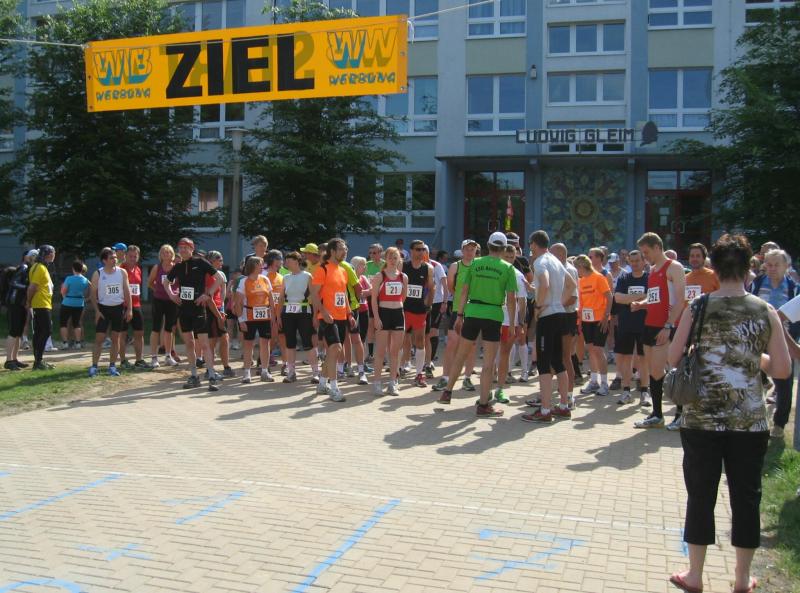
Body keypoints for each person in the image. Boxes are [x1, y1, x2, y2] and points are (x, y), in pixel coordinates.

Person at [667, 234, 790, 593]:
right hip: (749, 421)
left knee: (701, 495)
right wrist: (752, 357)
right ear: (749, 267)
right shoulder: (764, 310)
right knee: (746, 497)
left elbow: (673, 358)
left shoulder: (698, 307)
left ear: (715, 269)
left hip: (701, 419)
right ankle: (740, 578)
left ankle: (695, 575)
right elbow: (782, 369)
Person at [437, 232, 517, 418]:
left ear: (488, 246)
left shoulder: (475, 264)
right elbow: (511, 299)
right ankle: (483, 405)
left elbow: (464, 291)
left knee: (461, 354)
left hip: (472, 312)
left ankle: (447, 392)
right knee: (488, 363)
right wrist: (512, 323)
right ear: (504, 248)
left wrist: (459, 315)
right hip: (493, 314)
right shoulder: (508, 268)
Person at [631, 232, 687, 429]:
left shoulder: (674, 267)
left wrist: (668, 325)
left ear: (657, 247)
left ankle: (680, 414)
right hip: (650, 325)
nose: (644, 257)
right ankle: (657, 415)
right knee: (654, 371)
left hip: (666, 326)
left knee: (669, 370)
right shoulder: (653, 270)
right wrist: (641, 304)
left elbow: (681, 300)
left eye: (646, 252)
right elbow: (656, 298)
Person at [522, 231, 573, 422]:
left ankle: (544, 411)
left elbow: (544, 283)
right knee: (558, 362)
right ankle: (564, 406)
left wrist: (539, 305)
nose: (530, 248)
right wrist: (558, 301)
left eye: (531, 245)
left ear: (534, 244)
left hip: (548, 316)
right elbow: (571, 284)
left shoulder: (540, 261)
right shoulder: (556, 261)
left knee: (544, 364)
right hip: (560, 314)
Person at [164, 238, 225, 391]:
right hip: (184, 310)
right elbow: (166, 282)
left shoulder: (200, 262)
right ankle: (193, 376)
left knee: (204, 344)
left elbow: (219, 278)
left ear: (192, 249)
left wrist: (208, 295)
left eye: (186, 247)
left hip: (198, 309)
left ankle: (211, 375)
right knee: (189, 344)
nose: (183, 250)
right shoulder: (178, 266)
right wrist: (172, 295)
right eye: (180, 248)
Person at [750, 248, 797, 439]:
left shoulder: (794, 288)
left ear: (786, 266)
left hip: (784, 340)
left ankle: (779, 424)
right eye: (769, 264)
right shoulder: (757, 283)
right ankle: (753, 419)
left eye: (777, 265)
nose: (772, 268)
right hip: (757, 337)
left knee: (784, 382)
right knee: (752, 376)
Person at [432, 240, 479, 393]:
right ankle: (445, 377)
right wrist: (460, 299)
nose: (469, 252)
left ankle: (467, 378)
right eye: (467, 249)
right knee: (452, 343)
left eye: (472, 249)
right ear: (462, 250)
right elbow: (451, 286)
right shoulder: (455, 266)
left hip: (474, 311)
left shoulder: (479, 265)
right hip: (457, 309)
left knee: (471, 346)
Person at [310, 238, 352, 402]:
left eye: (345, 248)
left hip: (341, 316)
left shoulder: (343, 270)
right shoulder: (322, 269)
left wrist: (349, 313)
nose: (345, 251)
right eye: (341, 248)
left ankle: (322, 383)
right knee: (335, 348)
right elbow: (314, 294)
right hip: (327, 317)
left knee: (334, 351)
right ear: (332, 251)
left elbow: (343, 294)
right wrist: (323, 312)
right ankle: (334, 388)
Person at [613, 250, 650, 406]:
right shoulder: (624, 278)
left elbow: (652, 297)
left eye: (637, 261)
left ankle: (644, 392)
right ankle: (626, 391)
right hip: (626, 324)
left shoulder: (649, 278)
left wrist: (631, 299)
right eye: (632, 261)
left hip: (645, 324)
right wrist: (640, 297)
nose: (634, 263)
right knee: (625, 358)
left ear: (644, 261)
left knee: (643, 358)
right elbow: (618, 298)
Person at [89, 247, 132, 377]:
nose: (115, 259)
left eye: (115, 257)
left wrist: (129, 309)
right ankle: (94, 366)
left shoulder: (122, 272)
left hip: (118, 309)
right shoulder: (98, 273)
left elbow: (127, 291)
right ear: (104, 260)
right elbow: (92, 294)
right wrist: (97, 311)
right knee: (99, 338)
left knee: (115, 338)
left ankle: (112, 366)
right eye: (111, 258)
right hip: (103, 309)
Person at [576, 254, 613, 397]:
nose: (577, 271)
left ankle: (604, 383)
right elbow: (582, 302)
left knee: (598, 349)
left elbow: (609, 296)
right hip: (587, 320)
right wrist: (580, 321)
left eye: (577, 268)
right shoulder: (581, 281)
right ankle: (593, 381)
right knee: (591, 349)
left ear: (582, 266)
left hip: (600, 319)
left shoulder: (599, 277)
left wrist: (606, 316)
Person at [371, 246, 407, 396]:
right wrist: (376, 317)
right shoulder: (380, 276)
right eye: (390, 257)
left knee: (395, 352)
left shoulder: (403, 277)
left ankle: (393, 382)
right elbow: (373, 299)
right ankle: (377, 382)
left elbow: (403, 297)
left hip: (398, 314)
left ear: (399, 259)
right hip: (383, 313)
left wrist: (397, 307)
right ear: (385, 259)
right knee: (380, 351)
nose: (393, 260)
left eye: (395, 257)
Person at [494, 245, 528, 405]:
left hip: (510, 321)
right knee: (492, 352)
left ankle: (501, 384)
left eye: (511, 257)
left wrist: (520, 322)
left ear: (515, 257)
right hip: (493, 318)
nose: (508, 260)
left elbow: (522, 301)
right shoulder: (495, 272)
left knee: (504, 353)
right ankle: (491, 383)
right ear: (500, 255)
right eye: (506, 257)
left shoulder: (518, 275)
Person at [235, 256, 276, 384]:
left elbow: (271, 299)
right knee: (248, 344)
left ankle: (264, 371)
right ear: (253, 266)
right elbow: (238, 303)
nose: (262, 266)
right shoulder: (243, 281)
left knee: (265, 343)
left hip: (265, 316)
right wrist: (241, 320)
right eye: (260, 264)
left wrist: (273, 316)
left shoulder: (265, 279)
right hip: (249, 316)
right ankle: (247, 373)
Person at [279, 251, 317, 383]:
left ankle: (315, 373)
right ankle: (291, 373)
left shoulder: (307, 276)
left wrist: (315, 315)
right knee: (290, 343)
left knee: (308, 343)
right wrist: (278, 316)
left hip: (304, 312)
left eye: (289, 261)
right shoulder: (286, 277)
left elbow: (314, 296)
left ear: (296, 262)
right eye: (286, 261)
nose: (286, 263)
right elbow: (281, 297)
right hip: (288, 313)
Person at [401, 239, 435, 388]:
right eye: (418, 249)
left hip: (420, 310)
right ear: (411, 251)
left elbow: (431, 287)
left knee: (420, 341)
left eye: (423, 249)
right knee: (400, 340)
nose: (421, 252)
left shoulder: (428, 268)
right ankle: (398, 369)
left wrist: (428, 303)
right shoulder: (403, 266)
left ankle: (419, 374)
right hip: (403, 309)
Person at [118, 245, 151, 370]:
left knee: (139, 333)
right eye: (130, 256)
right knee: (122, 334)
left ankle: (139, 360)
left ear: (138, 257)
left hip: (136, 305)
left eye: (135, 256)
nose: (132, 258)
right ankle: (123, 361)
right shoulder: (120, 269)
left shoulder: (138, 269)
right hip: (123, 305)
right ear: (125, 256)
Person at [551, 243, 578, 393]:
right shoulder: (556, 269)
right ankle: (550, 391)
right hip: (556, 314)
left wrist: (554, 305)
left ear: (561, 255)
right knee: (554, 355)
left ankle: (569, 394)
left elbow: (573, 298)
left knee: (565, 356)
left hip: (567, 316)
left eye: (552, 254)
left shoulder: (569, 270)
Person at [3, 250, 36, 371]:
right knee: (13, 332)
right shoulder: (24, 267)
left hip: (20, 303)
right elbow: (14, 283)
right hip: (15, 303)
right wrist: (28, 287)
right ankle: (8, 361)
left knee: (18, 332)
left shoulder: (29, 268)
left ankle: (14, 359)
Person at [147, 244, 179, 368]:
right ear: (160, 255)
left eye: (168, 252)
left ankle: (168, 356)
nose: (166, 254)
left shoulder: (176, 268)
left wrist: (175, 294)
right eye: (164, 252)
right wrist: (158, 290)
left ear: (172, 255)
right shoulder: (157, 267)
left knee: (169, 329)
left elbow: (180, 284)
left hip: (172, 302)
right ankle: (154, 358)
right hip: (158, 301)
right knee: (155, 328)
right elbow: (150, 283)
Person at [26, 245, 56, 370]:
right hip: (41, 304)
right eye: (53, 252)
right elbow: (32, 287)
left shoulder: (38, 267)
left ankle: (38, 361)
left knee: (39, 332)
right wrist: (28, 302)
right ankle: (38, 361)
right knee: (46, 331)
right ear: (48, 254)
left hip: (42, 303)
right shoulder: (40, 268)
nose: (54, 255)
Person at [205, 251, 233, 378]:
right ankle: (209, 369)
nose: (222, 262)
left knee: (224, 338)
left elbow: (223, 293)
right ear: (211, 261)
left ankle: (226, 367)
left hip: (218, 309)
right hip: (209, 310)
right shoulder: (206, 275)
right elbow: (208, 297)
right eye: (219, 259)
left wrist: (221, 308)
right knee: (211, 340)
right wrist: (217, 314)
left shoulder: (221, 274)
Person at [425, 245, 448, 379]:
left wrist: (445, 302)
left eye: (425, 251)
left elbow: (445, 284)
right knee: (422, 333)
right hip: (422, 303)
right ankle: (424, 359)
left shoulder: (436, 265)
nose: (422, 254)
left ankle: (429, 361)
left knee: (433, 331)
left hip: (437, 302)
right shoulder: (415, 265)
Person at [59, 261, 89, 350]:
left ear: (73, 269)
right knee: (77, 323)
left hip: (67, 302)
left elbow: (63, 291)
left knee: (63, 323)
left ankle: (65, 343)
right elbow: (88, 290)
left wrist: (65, 297)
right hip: (79, 303)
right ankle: (78, 343)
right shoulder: (85, 280)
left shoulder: (69, 278)